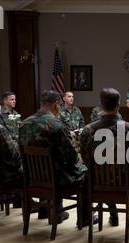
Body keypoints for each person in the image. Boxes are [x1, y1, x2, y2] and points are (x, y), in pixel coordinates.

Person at [19, 90, 94, 226]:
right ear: (56, 104)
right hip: (55, 178)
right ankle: (85, 219)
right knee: (86, 173)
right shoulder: (56, 126)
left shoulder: (24, 124)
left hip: (31, 176)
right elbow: (70, 157)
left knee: (52, 166)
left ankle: (46, 211)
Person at [80, 88, 129, 228]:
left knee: (96, 175)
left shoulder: (87, 131)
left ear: (100, 106)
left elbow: (85, 159)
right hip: (126, 182)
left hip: (97, 182)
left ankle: (111, 214)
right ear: (118, 106)